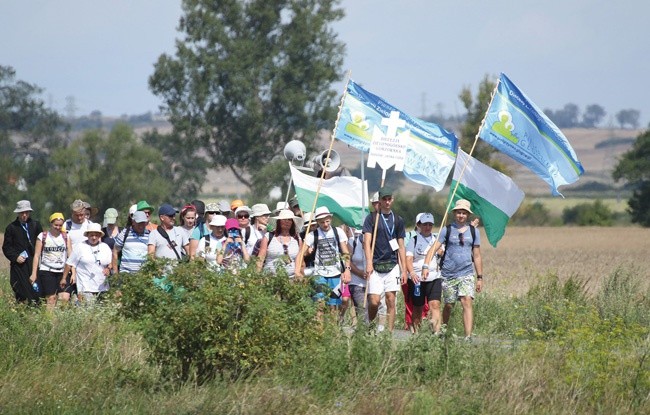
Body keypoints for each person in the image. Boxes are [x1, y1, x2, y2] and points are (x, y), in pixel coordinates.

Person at [422, 199, 483, 340]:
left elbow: (477, 255)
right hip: (449, 274)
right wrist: (426, 265)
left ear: (468, 215)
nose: (461, 215)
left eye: (464, 213)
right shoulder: (447, 230)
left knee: (466, 300)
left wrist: (480, 277)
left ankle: (468, 336)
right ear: (454, 213)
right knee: (449, 305)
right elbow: (434, 248)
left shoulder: (474, 232)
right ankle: (444, 329)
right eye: (458, 212)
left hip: (467, 272)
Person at [363, 186, 407, 332]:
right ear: (379, 201)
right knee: (374, 301)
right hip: (375, 265)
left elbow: (401, 246)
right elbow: (366, 243)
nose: (387, 202)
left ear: (392, 200)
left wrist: (404, 270)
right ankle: (370, 324)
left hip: (392, 265)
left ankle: (389, 333)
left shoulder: (398, 220)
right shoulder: (372, 218)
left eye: (389, 199)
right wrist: (369, 263)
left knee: (391, 299)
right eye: (384, 199)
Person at [302, 207, 351, 310]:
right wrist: (299, 269)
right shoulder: (312, 235)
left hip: (336, 274)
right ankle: (320, 326)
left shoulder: (338, 232)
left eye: (327, 221)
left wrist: (347, 270)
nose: (325, 224)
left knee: (333, 306)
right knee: (319, 304)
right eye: (321, 222)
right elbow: (301, 253)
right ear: (317, 222)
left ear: (330, 218)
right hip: (319, 274)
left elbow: (345, 253)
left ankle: (332, 326)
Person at [405, 213, 443, 333]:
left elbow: (443, 254)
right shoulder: (414, 240)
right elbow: (409, 259)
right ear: (419, 225)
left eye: (430, 224)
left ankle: (436, 333)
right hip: (417, 279)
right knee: (418, 308)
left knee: (435, 305)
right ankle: (417, 334)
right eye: (425, 224)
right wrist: (411, 273)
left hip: (434, 277)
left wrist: (441, 252)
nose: (427, 227)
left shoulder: (437, 240)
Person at [2, 200, 43, 304]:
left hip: (33, 263)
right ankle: (22, 312)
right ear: (18, 213)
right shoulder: (11, 228)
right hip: (19, 265)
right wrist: (15, 257)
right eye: (22, 213)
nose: (24, 215)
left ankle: (36, 311)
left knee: (36, 291)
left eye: (26, 212)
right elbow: (6, 247)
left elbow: (42, 242)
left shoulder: (35, 225)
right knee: (21, 292)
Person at [30, 212, 70, 310]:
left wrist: (73, 272)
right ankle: (50, 321)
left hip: (62, 271)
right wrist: (34, 273)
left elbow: (71, 256)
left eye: (60, 225)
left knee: (64, 297)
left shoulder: (66, 237)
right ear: (51, 224)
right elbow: (36, 255)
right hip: (47, 270)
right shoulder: (43, 236)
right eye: (55, 225)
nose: (58, 227)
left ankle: (62, 319)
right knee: (51, 298)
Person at [66, 223, 112, 304]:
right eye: (91, 235)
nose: (94, 238)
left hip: (102, 286)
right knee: (87, 311)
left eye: (96, 235)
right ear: (87, 235)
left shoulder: (105, 247)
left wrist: (108, 269)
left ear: (99, 236)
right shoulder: (80, 247)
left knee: (102, 311)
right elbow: (70, 263)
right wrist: (64, 278)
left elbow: (110, 263)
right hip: (85, 286)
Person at [256, 209, 303, 278]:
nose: (287, 222)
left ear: (292, 222)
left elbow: (300, 260)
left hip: (291, 280)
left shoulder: (297, 239)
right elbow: (260, 258)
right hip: (270, 279)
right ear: (279, 221)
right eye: (284, 219)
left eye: (289, 220)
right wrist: (256, 276)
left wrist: (299, 273)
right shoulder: (268, 237)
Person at [112, 210, 151, 275]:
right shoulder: (125, 233)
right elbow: (115, 251)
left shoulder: (149, 235)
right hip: (126, 276)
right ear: (133, 222)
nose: (141, 225)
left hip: (144, 277)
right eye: (139, 222)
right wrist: (115, 273)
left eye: (143, 222)